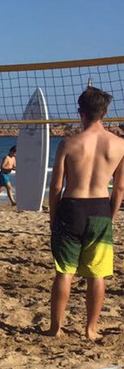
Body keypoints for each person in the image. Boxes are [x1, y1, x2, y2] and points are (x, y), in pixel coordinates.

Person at [46, 86, 124, 340]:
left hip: (72, 207)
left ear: (80, 112)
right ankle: (91, 329)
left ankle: (56, 328)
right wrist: (110, 218)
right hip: (100, 208)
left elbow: (56, 187)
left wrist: (53, 217)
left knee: (64, 272)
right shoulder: (119, 144)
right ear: (105, 112)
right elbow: (119, 189)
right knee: (97, 274)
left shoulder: (69, 143)